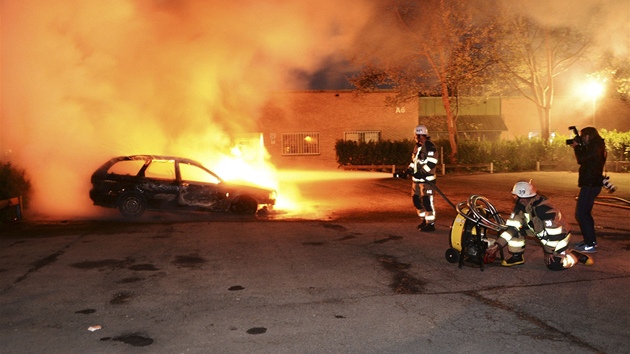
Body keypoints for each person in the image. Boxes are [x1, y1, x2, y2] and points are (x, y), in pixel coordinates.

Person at [486, 181, 593, 270]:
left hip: (560, 237)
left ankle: (574, 256)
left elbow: (555, 234)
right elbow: (511, 229)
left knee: (554, 265)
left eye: (515, 195)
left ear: (522, 197)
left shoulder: (544, 209)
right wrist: (497, 246)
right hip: (541, 233)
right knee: (515, 230)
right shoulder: (521, 206)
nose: (513, 197)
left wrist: (548, 251)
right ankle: (517, 256)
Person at [570, 127, 607, 254]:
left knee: (581, 214)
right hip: (591, 183)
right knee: (585, 213)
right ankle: (589, 241)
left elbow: (582, 159)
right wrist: (580, 146)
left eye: (583, 136)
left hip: (591, 184)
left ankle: (590, 244)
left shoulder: (595, 146)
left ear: (588, 136)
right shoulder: (597, 145)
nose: (583, 139)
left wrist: (577, 147)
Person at [407, 125, 438, 232]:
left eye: (416, 135)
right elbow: (414, 162)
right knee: (416, 200)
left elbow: (432, 162)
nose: (415, 137)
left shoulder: (430, 147)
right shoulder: (417, 147)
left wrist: (422, 172)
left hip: (427, 180)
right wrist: (409, 170)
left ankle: (431, 223)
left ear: (421, 135)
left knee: (426, 201)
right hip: (417, 180)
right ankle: (424, 220)